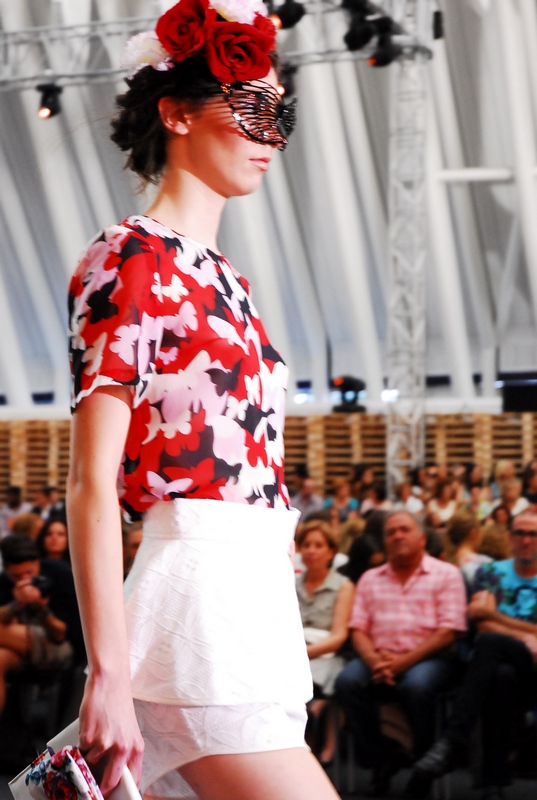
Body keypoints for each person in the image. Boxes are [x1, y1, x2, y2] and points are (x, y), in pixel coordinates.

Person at [66, 3, 339, 799]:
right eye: (251, 106)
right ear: (177, 113)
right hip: (199, 602)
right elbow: (89, 482)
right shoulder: (130, 258)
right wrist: (107, 673)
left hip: (252, 597)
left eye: (281, 112)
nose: (271, 135)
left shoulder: (226, 279)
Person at [335, 511, 467, 796]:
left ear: (422, 538)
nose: (397, 536)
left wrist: (402, 663)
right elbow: (357, 629)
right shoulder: (371, 578)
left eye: (404, 530)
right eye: (391, 532)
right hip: (378, 657)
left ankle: (424, 764)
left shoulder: (447, 574)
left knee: (417, 686)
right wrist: (374, 661)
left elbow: (449, 631)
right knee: (347, 682)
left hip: (431, 658)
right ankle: (380, 759)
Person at [407, 510, 537, 800]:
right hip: (504, 667)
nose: (526, 540)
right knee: (500, 673)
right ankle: (491, 783)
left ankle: (453, 742)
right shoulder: (491, 573)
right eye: (520, 533)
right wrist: (528, 634)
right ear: (509, 537)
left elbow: (490, 620)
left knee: (492, 651)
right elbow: (484, 626)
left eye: (533, 534)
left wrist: (496, 617)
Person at [0, 535, 83, 712]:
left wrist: (41, 608)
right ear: (7, 570)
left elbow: (61, 635)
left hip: (61, 647)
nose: (24, 579)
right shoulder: (4, 581)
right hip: (19, 647)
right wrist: (16, 604)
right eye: (16, 576)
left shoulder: (59, 573)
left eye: (29, 573)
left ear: (37, 563)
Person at [295, 520, 354, 765]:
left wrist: (303, 653)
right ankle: (301, 742)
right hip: (295, 651)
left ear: (331, 552)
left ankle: (326, 742)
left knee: (323, 678)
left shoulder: (343, 586)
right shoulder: (291, 583)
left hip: (326, 652)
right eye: (306, 545)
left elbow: (339, 636)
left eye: (318, 545)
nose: (311, 550)